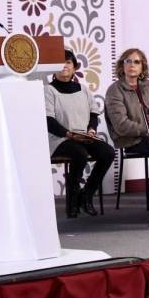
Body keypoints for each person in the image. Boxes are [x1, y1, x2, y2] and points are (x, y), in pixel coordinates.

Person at [46, 50, 116, 218]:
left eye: (68, 62)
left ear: (74, 66)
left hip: (83, 136)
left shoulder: (82, 89)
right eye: (59, 63)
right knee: (80, 154)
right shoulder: (48, 90)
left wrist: (91, 130)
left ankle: (86, 195)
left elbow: (93, 113)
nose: (64, 66)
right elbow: (48, 120)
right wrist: (69, 134)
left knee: (107, 152)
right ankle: (72, 201)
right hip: (60, 138)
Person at [105, 48, 149, 155]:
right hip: (130, 141)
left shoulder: (148, 86)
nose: (132, 65)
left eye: (136, 62)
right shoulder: (114, 90)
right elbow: (121, 125)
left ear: (142, 67)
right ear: (122, 65)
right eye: (128, 61)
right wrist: (148, 129)